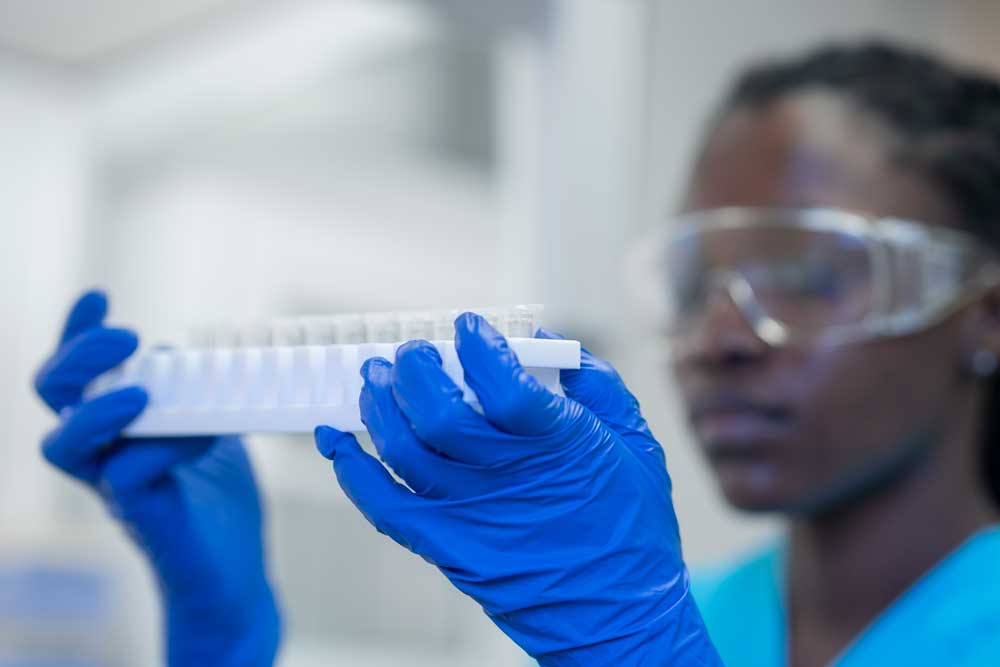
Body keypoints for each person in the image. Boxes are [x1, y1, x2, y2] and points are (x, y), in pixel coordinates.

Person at [32, 39, 1000, 667]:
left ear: (985, 317)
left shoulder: (628, 620)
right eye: (693, 284)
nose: (719, 337)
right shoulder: (677, 611)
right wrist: (227, 638)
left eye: (807, 276)